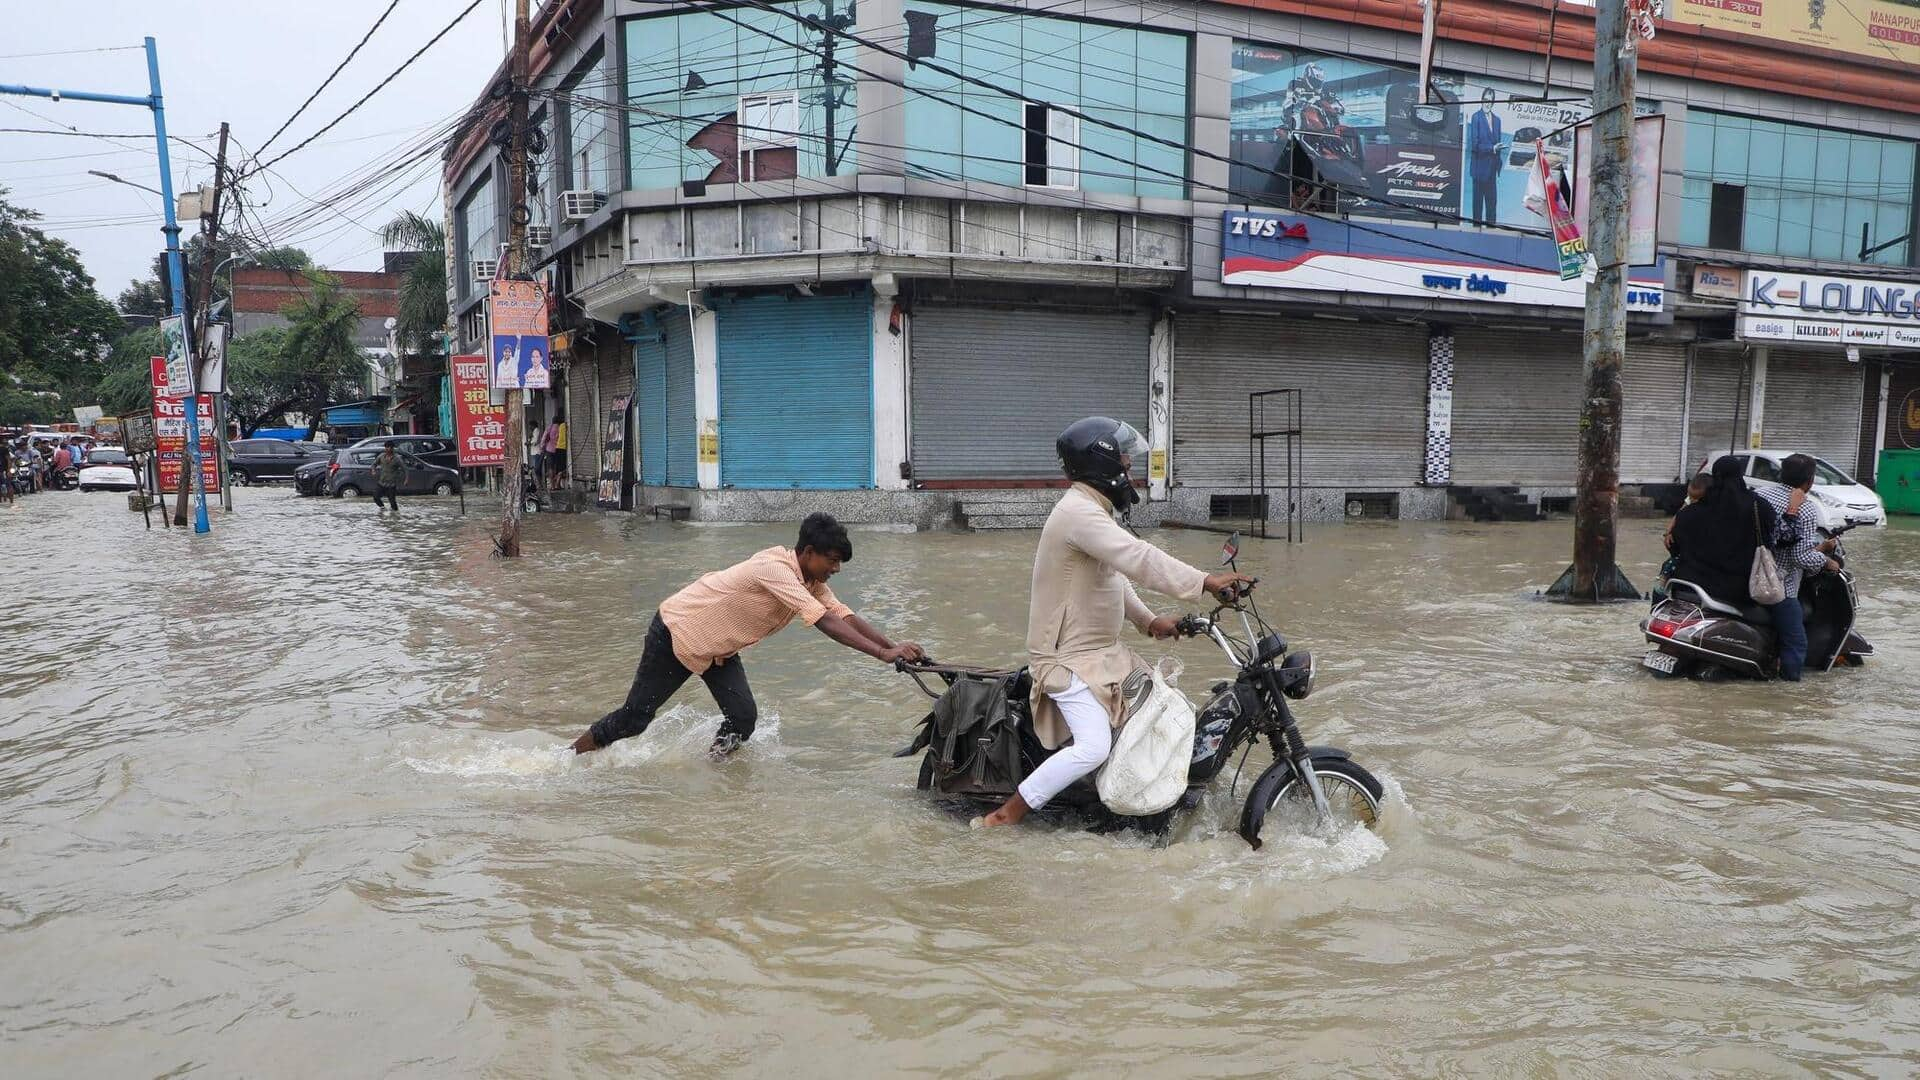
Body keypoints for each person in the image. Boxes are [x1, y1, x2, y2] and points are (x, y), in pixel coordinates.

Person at [978, 417, 1253, 829]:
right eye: (1125, 461)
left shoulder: (1091, 511)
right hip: (1066, 661)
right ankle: (1006, 815)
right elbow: (1137, 558)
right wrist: (1205, 581)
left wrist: (1150, 621)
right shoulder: (1078, 514)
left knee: (1160, 709)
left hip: (1100, 656)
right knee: (1093, 747)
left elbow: (1112, 576)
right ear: (1101, 465)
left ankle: (1132, 808)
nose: (1129, 468)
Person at [571, 513, 925, 761]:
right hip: (677, 632)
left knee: (742, 718)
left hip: (719, 649)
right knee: (634, 720)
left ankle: (715, 769)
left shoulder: (812, 581)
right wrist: (880, 655)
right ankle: (568, 758)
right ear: (807, 552)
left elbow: (843, 614)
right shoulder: (775, 569)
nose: (835, 569)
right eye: (831, 561)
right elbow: (823, 622)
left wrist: (891, 646)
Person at [1755, 454, 1841, 681]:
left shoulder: (1760, 495)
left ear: (1781, 473)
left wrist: (1820, 547)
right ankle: (1790, 689)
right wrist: (1827, 561)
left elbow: (1774, 537)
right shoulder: (1806, 508)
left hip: (1751, 574)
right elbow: (1800, 557)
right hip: (1780, 585)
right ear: (1810, 481)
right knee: (1796, 641)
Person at [1669, 455, 1779, 606]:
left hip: (1687, 587)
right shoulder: (1758, 507)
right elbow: (1774, 539)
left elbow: (1674, 547)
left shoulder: (1688, 513)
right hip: (1737, 594)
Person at [1469, 89, 1504, 224]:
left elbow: (1497, 143)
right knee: (1477, 209)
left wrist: (1498, 150)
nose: (1487, 103)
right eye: (1485, 100)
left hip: (1492, 171)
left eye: (1490, 101)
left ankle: (1491, 234)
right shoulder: (1476, 117)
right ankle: (1474, 234)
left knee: (1491, 207)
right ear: (1481, 99)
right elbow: (1475, 146)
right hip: (1479, 171)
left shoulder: (1497, 120)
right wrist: (1492, 148)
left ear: (1493, 102)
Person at [373, 440, 406, 513]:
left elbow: (405, 469)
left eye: (390, 447)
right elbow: (374, 464)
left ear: (393, 448)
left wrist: (406, 480)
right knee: (375, 497)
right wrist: (373, 470)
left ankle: (396, 515)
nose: (388, 449)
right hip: (381, 482)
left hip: (391, 484)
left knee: (392, 502)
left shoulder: (397, 458)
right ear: (385, 448)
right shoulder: (381, 456)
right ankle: (382, 508)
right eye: (387, 447)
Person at [545, 410, 567, 490]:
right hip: (563, 448)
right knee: (561, 467)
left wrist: (542, 448)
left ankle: (552, 485)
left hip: (554, 449)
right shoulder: (563, 426)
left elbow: (544, 438)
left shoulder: (550, 427)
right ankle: (557, 484)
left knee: (553, 467)